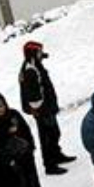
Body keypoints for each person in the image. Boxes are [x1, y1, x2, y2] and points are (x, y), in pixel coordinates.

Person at [19, 41, 74, 175]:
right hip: (42, 110)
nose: (41, 54)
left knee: (54, 132)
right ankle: (50, 164)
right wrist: (40, 109)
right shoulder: (30, 69)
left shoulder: (35, 65)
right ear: (33, 53)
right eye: (38, 52)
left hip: (46, 108)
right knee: (47, 136)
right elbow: (33, 95)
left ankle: (56, 155)